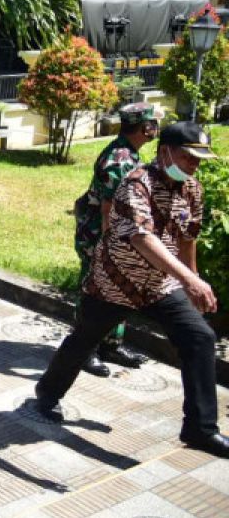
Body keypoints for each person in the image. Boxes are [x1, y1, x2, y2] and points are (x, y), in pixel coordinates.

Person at [36, 122, 227, 458]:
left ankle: (201, 428)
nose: (193, 166)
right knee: (83, 340)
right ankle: (48, 392)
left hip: (159, 286)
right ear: (164, 151)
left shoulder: (193, 190)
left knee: (200, 337)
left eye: (198, 160)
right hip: (114, 283)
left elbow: (187, 239)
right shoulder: (135, 184)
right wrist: (191, 280)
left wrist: (191, 281)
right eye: (187, 158)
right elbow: (142, 237)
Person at [72, 102, 158, 376]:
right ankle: (83, 351)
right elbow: (110, 207)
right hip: (99, 234)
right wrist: (109, 246)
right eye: (154, 123)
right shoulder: (118, 161)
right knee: (94, 291)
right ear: (145, 128)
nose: (157, 127)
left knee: (118, 290)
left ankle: (110, 345)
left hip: (115, 236)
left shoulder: (129, 154)